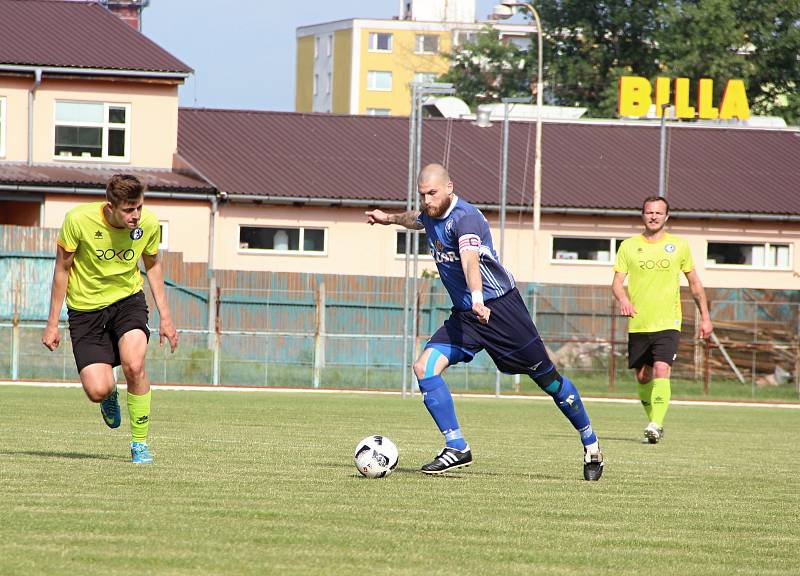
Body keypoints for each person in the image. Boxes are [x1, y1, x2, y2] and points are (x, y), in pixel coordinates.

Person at [366, 163, 603, 480]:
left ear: (449, 187)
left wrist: (478, 299)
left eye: (432, 193)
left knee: (550, 382)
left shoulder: (466, 218)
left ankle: (591, 444)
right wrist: (389, 219)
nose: (427, 200)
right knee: (424, 367)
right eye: (422, 195)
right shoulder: (429, 214)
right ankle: (457, 446)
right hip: (466, 317)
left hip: (501, 312)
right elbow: (417, 219)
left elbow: (470, 261)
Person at [42, 174, 178, 464]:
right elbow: (62, 270)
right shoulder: (78, 221)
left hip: (127, 302)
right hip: (85, 310)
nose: (136, 216)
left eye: (139, 207)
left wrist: (166, 318)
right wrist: (52, 323)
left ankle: (139, 444)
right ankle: (109, 394)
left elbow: (153, 267)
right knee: (96, 389)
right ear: (110, 206)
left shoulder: (149, 225)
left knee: (135, 363)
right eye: (129, 210)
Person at [612, 196, 713, 444]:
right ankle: (656, 420)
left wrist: (706, 318)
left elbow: (695, 283)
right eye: (649, 212)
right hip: (638, 323)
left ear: (666, 217)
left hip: (669, 322)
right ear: (643, 215)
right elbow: (616, 283)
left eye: (658, 212)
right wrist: (623, 300)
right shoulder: (628, 246)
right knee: (643, 377)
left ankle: (655, 424)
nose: (653, 216)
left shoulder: (679, 246)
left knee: (661, 369)